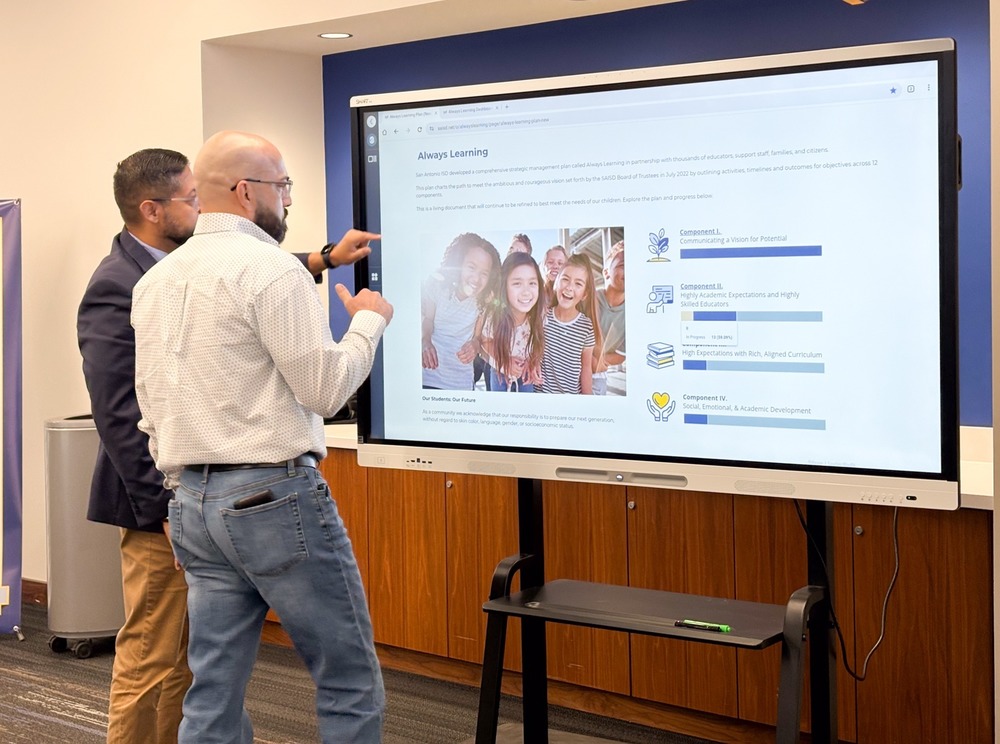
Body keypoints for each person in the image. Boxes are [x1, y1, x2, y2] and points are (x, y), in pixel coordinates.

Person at [77, 148, 377, 744]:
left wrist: (323, 258)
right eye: (282, 184)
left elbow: (152, 404)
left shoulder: (157, 279)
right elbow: (324, 390)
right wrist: (369, 322)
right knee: (346, 677)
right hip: (246, 498)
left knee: (210, 683)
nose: (287, 197)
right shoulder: (134, 281)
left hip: (193, 498)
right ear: (245, 191)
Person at [421, 232, 500, 390]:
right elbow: (428, 320)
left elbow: (477, 338)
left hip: (461, 383)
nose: (476, 279)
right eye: (471, 267)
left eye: (484, 273)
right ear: (459, 263)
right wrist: (425, 341)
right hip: (429, 377)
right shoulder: (437, 287)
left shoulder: (483, 301)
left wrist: (474, 346)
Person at [480, 252, 545, 392]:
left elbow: (538, 343)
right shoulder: (495, 316)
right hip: (499, 371)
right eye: (517, 283)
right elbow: (485, 341)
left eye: (532, 283)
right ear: (504, 286)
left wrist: (533, 362)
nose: (526, 292)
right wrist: (505, 361)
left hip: (525, 372)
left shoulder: (538, 316)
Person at [540, 253, 601, 394]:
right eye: (565, 279)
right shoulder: (543, 317)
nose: (569, 287)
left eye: (578, 284)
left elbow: (586, 368)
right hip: (542, 397)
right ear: (556, 283)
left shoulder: (586, 327)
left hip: (572, 399)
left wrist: (587, 399)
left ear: (584, 294)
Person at [593, 240, 626, 395]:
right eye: (623, 265)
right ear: (606, 272)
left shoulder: (634, 312)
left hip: (597, 373)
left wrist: (597, 362)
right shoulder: (588, 299)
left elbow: (621, 356)